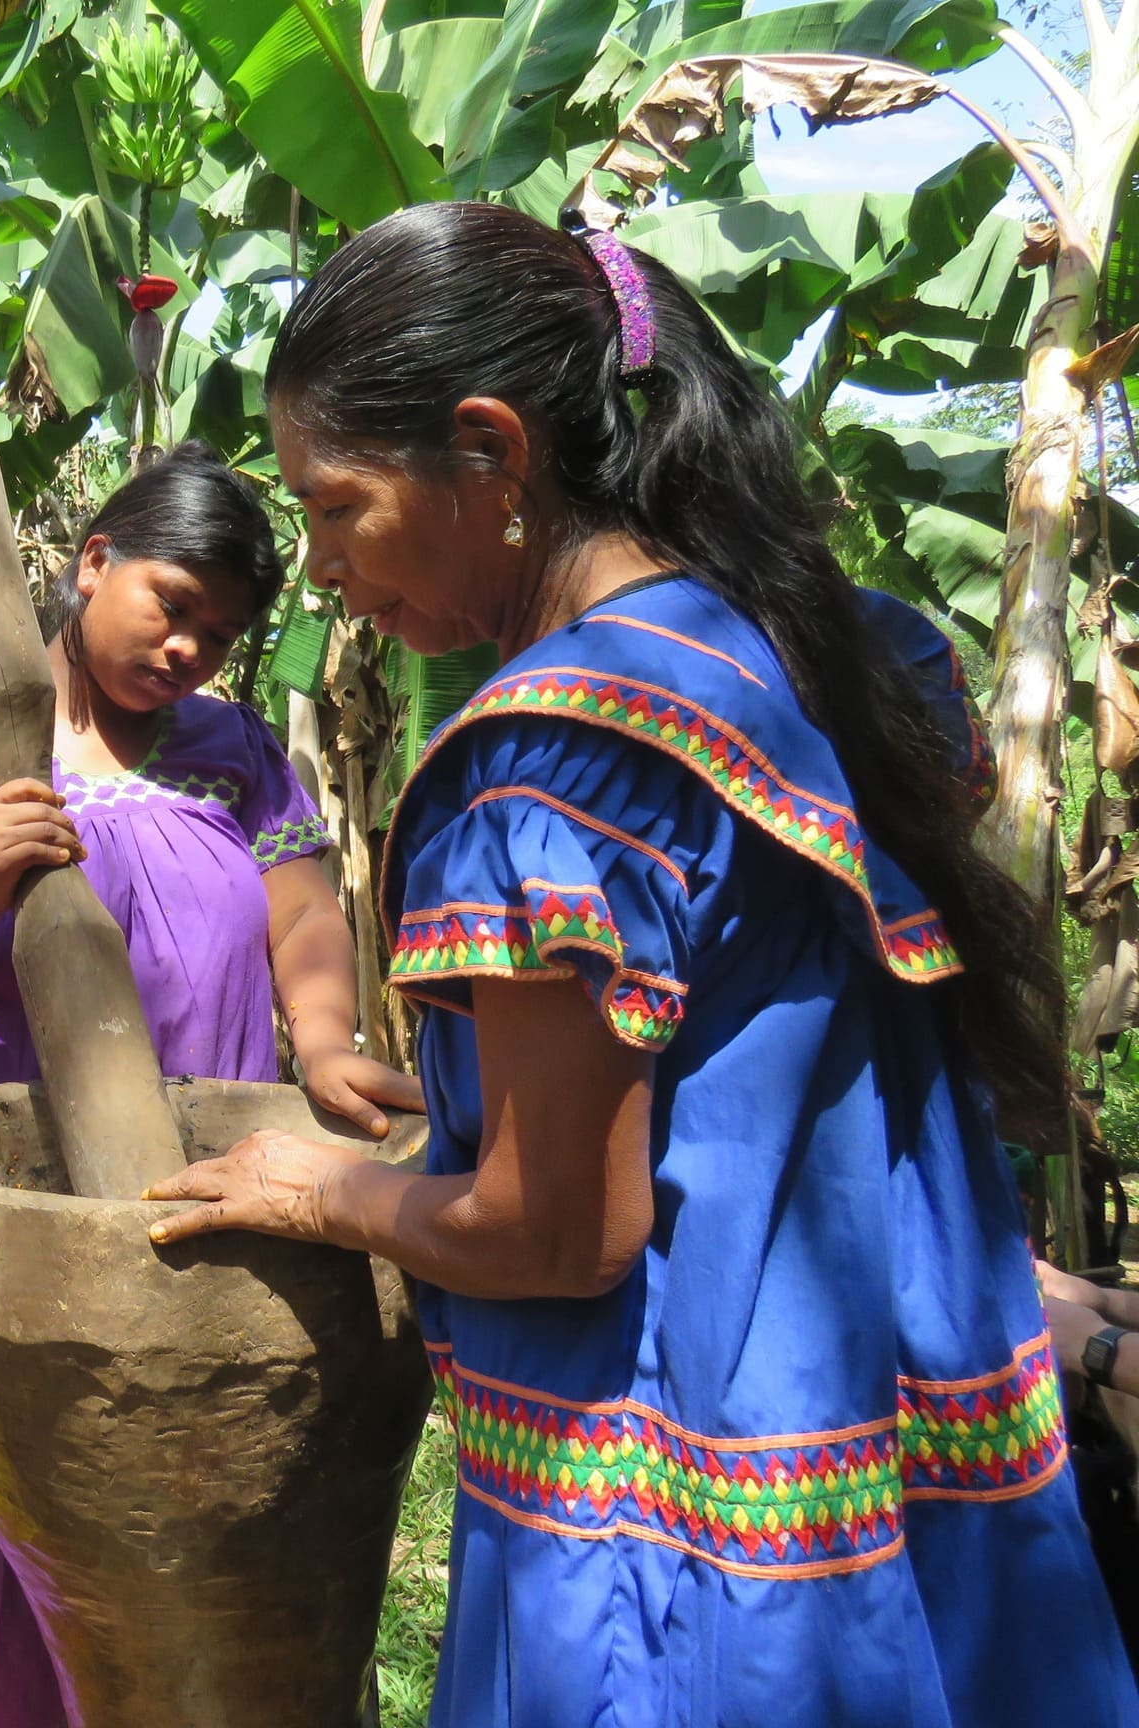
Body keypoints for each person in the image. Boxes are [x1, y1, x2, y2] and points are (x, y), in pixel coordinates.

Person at [144, 201, 1139, 1724]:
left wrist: (318, 1192)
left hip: (677, 1538)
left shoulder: (551, 761)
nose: (326, 568)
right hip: (895, 1468)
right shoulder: (833, 652)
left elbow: (556, 1236)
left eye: (337, 505)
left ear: (492, 452)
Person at [0, 441, 420, 1727]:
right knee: (10, 1539)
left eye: (219, 633)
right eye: (171, 605)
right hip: (8, 1256)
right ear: (93, 563)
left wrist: (319, 1036)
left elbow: (304, 913)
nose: (188, 652)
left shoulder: (235, 754)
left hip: (195, 1203)